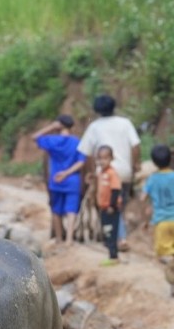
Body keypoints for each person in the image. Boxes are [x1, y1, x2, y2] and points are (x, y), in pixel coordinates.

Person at [55, 94, 141, 253]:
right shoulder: (125, 123)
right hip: (125, 171)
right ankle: (118, 236)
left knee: (107, 205)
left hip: (104, 175)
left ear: (97, 110)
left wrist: (91, 172)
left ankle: (116, 238)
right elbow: (136, 146)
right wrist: (136, 164)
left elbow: (85, 152)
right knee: (119, 204)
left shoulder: (94, 127)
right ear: (114, 107)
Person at [141, 143, 174, 296]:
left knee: (164, 254)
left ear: (153, 162)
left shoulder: (152, 179)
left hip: (161, 223)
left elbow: (143, 198)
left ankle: (167, 261)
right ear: (171, 159)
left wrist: (146, 220)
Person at [31, 114, 85, 248]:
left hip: (56, 180)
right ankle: (70, 239)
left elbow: (35, 137)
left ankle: (60, 238)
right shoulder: (77, 142)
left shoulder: (52, 141)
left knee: (56, 210)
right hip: (72, 180)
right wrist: (67, 173)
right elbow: (81, 162)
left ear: (59, 125)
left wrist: (51, 127)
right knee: (71, 210)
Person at [94, 144, 123, 266]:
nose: (102, 161)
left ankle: (113, 256)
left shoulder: (112, 173)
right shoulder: (100, 173)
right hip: (103, 208)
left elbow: (115, 190)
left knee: (111, 232)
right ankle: (111, 254)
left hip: (111, 208)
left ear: (111, 158)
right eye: (100, 158)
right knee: (106, 232)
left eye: (105, 158)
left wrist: (112, 206)